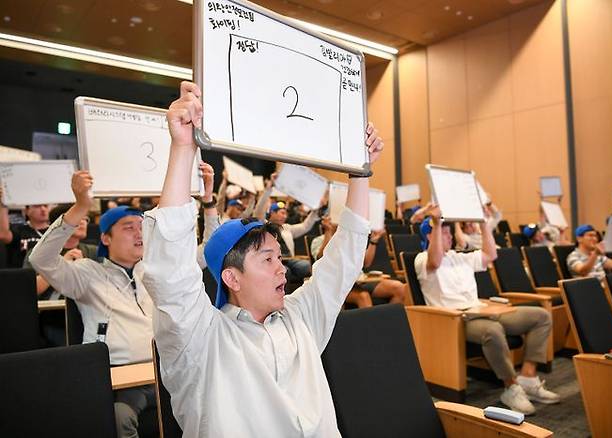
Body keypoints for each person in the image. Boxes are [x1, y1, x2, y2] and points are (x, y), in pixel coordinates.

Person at [141, 81, 383, 436]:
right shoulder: (200, 341)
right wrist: (182, 148)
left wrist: (361, 171)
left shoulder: (300, 318)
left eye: (279, 257)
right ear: (231, 278)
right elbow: (170, 273)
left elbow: (343, 260)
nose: (282, 268)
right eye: (267, 259)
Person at [29, 161, 218, 438]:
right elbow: (40, 259)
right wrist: (81, 207)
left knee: (215, 404)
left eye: (142, 226)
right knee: (119, 419)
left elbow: (209, 251)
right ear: (105, 237)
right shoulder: (86, 275)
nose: (139, 232)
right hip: (121, 379)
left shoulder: (157, 268)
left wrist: (209, 201)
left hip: (168, 371)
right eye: (128, 227)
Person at [415, 205, 559, 415]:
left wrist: (484, 224)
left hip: (483, 310)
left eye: (448, 232)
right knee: (492, 330)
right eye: (443, 233)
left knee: (541, 316)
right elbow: (435, 261)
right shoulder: (422, 260)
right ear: (430, 236)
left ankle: (527, 377)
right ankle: (511, 387)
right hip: (456, 320)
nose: (449, 237)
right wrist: (437, 223)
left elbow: (490, 255)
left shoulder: (460, 256)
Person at [0, 191, 51, 267]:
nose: (43, 209)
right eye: (37, 206)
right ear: (26, 211)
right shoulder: (18, 229)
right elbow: (4, 235)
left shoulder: (56, 230)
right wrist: (2, 204)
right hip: (22, 276)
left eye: (45, 206)